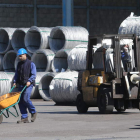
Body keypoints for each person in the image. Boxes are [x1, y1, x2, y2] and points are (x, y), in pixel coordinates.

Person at [13, 48, 37, 124]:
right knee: (20, 101)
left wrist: (29, 81)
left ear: (25, 55)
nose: (20, 57)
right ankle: (24, 117)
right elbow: (16, 74)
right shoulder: (19, 64)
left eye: (21, 56)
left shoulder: (31, 63)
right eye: (19, 56)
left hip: (28, 84)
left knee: (26, 98)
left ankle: (33, 112)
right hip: (21, 84)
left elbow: (34, 74)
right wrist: (15, 81)